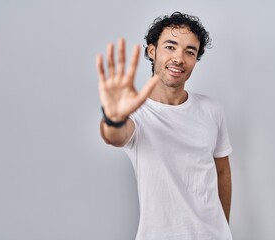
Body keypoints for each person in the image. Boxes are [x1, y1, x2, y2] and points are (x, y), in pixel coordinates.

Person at [96, 11, 233, 240]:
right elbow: (114, 135)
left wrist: (222, 230)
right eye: (170, 47)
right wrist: (113, 118)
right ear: (152, 51)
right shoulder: (137, 115)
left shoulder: (212, 110)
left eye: (190, 52)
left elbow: (222, 171)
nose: (179, 58)